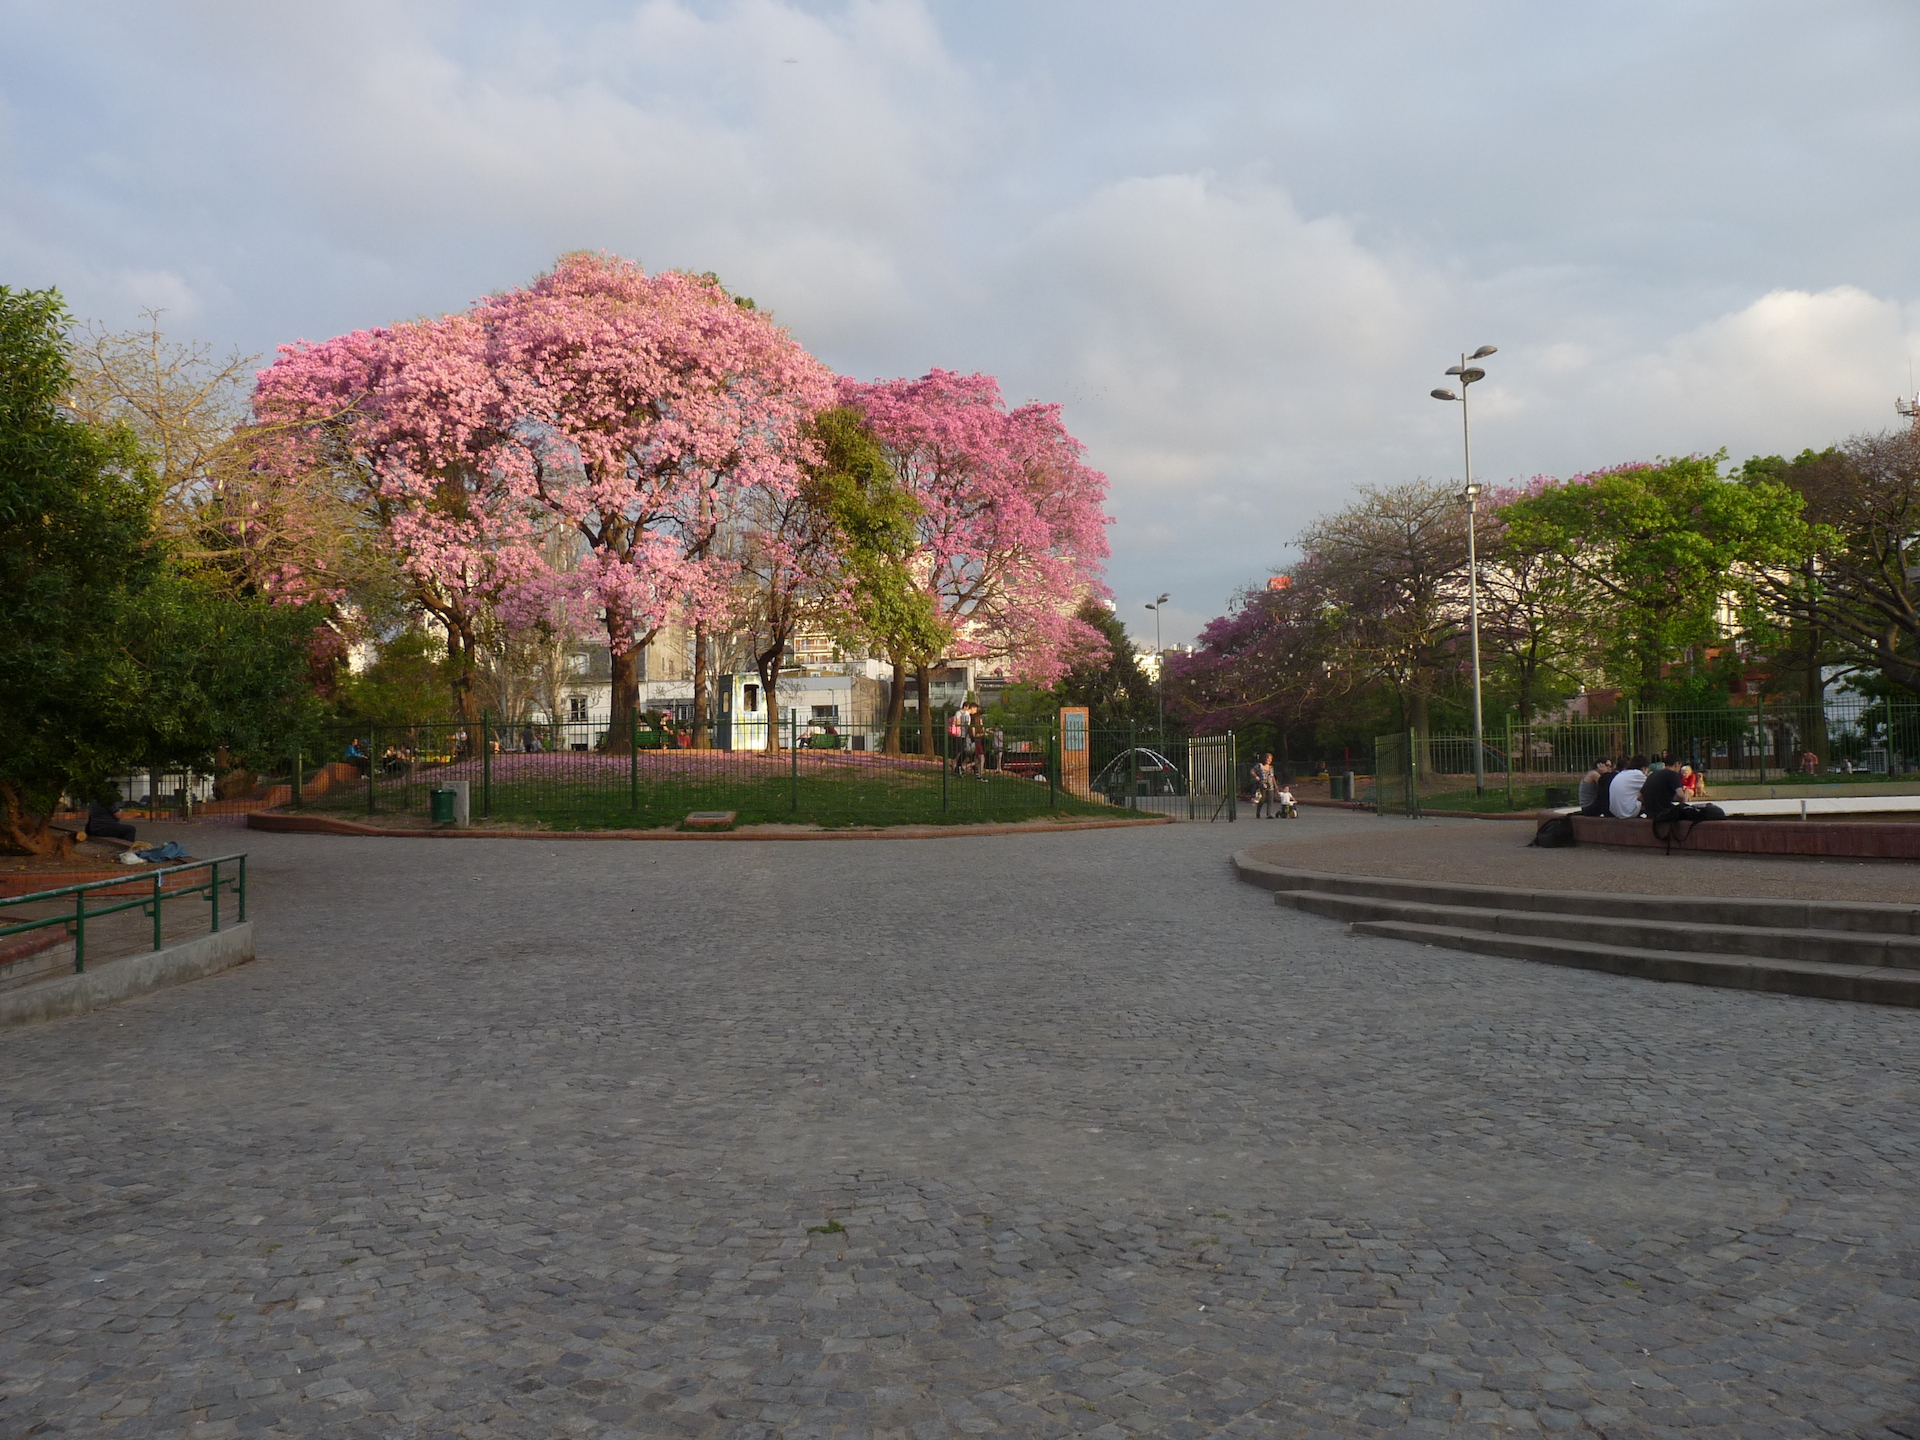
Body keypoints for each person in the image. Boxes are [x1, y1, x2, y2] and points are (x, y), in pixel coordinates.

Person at [1252, 752, 1279, 817]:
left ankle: (1268, 814)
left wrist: (1276, 786)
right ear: (1265, 758)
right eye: (1268, 758)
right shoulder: (1259, 765)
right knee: (1262, 799)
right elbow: (1252, 771)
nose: (1269, 760)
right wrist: (1256, 776)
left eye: (1271, 759)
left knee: (1270, 799)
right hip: (1262, 785)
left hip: (1270, 785)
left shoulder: (1271, 767)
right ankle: (1258, 812)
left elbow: (1272, 777)